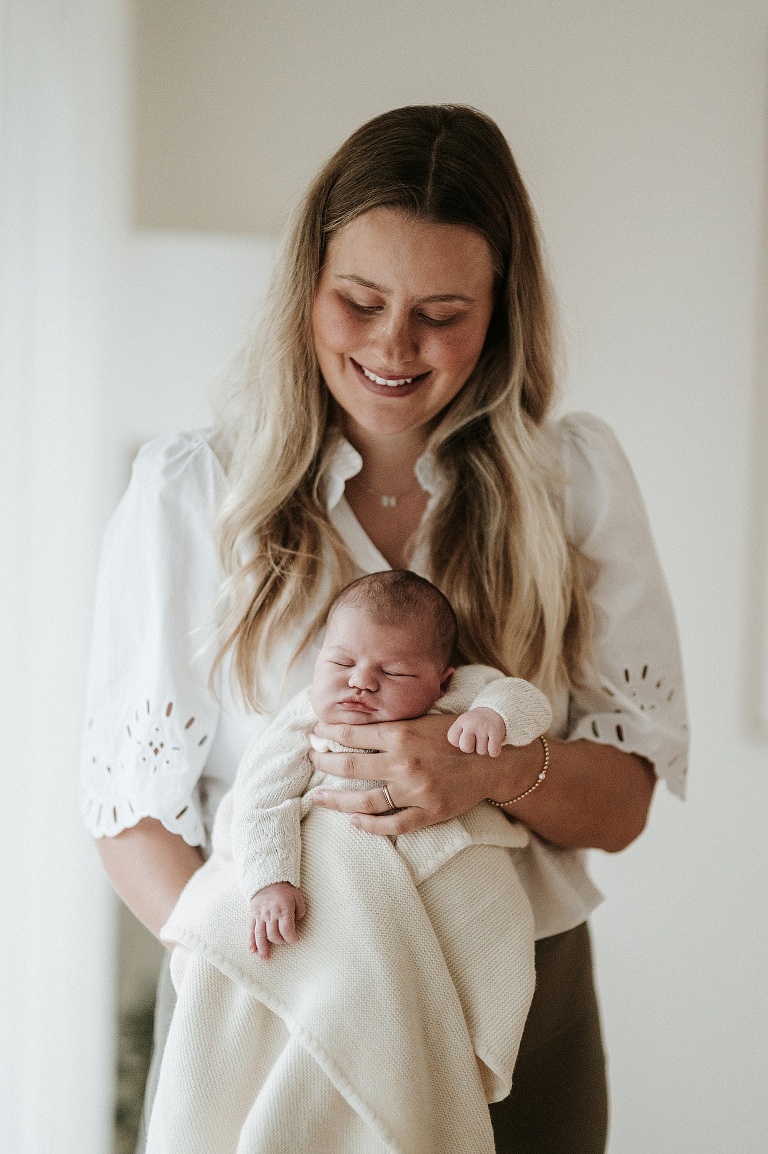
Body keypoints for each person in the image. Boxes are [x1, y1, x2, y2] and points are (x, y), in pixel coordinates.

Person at [80, 103, 689, 1154]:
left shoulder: (573, 483)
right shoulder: (194, 493)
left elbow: (624, 799)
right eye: (360, 300)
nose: (393, 347)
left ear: (502, 310)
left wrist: (490, 773)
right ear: (306, 287)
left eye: (442, 313)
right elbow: (128, 818)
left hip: (513, 1014)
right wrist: (277, 968)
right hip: (265, 1004)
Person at [146, 569, 552, 1152]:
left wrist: (494, 720)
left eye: (392, 672)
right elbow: (262, 802)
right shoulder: (306, 725)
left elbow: (520, 696)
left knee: (496, 910)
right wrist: (271, 882)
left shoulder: (458, 701)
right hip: (343, 909)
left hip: (448, 891)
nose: (361, 683)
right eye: (341, 664)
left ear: (442, 680)